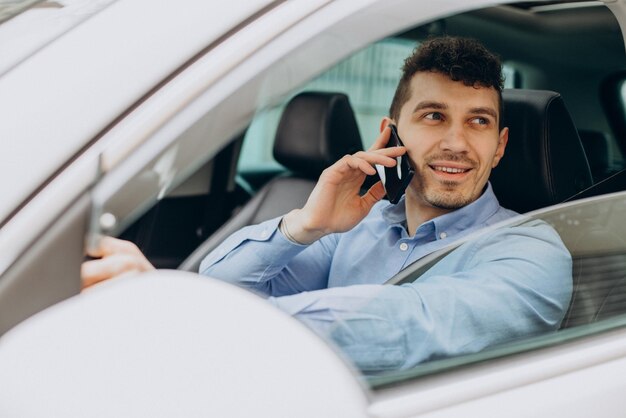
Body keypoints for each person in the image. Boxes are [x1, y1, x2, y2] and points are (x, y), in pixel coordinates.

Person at [82, 37, 572, 373]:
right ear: (391, 133)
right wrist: (304, 225)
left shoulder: (531, 249)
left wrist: (186, 316)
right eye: (433, 116)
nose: (457, 143)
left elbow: (412, 324)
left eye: (479, 122)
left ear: (501, 145)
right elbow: (221, 286)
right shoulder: (357, 226)